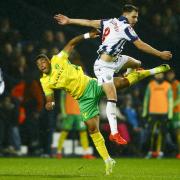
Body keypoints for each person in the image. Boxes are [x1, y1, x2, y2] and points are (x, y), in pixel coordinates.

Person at [35, 29, 170, 175]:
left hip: (91, 85)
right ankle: (108, 160)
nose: (42, 64)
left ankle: (151, 71)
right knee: (92, 129)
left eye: (43, 61)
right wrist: (50, 104)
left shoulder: (57, 59)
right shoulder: (45, 81)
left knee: (121, 84)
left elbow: (72, 43)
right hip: (83, 100)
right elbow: (49, 98)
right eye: (39, 64)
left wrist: (87, 35)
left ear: (48, 60)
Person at [54, 4, 172, 145]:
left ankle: (130, 74)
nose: (136, 20)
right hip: (103, 67)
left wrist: (69, 20)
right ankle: (114, 133)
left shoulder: (109, 21)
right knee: (112, 96)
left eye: (137, 17)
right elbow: (140, 45)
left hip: (116, 60)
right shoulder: (126, 28)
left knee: (137, 63)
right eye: (134, 16)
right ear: (126, 14)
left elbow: (90, 22)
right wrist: (160, 54)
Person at [57, 90, 95, 159]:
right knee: (64, 131)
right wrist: (63, 112)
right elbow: (62, 101)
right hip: (68, 114)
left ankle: (86, 153)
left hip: (79, 114)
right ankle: (58, 152)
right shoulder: (65, 88)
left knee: (83, 132)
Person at [142, 73, 173, 159]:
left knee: (162, 133)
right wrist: (144, 113)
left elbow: (170, 100)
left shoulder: (167, 85)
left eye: (161, 75)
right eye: (157, 75)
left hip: (164, 113)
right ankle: (150, 152)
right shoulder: (150, 85)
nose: (159, 76)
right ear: (154, 76)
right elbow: (146, 99)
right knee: (150, 133)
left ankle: (161, 152)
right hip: (153, 113)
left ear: (163, 75)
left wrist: (170, 114)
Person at [166, 70, 180, 159]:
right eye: (168, 74)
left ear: (174, 74)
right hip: (167, 112)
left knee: (177, 132)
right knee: (169, 133)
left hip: (176, 112)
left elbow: (179, 99)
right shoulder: (166, 85)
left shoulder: (177, 84)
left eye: (171, 74)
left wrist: (170, 107)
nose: (169, 75)